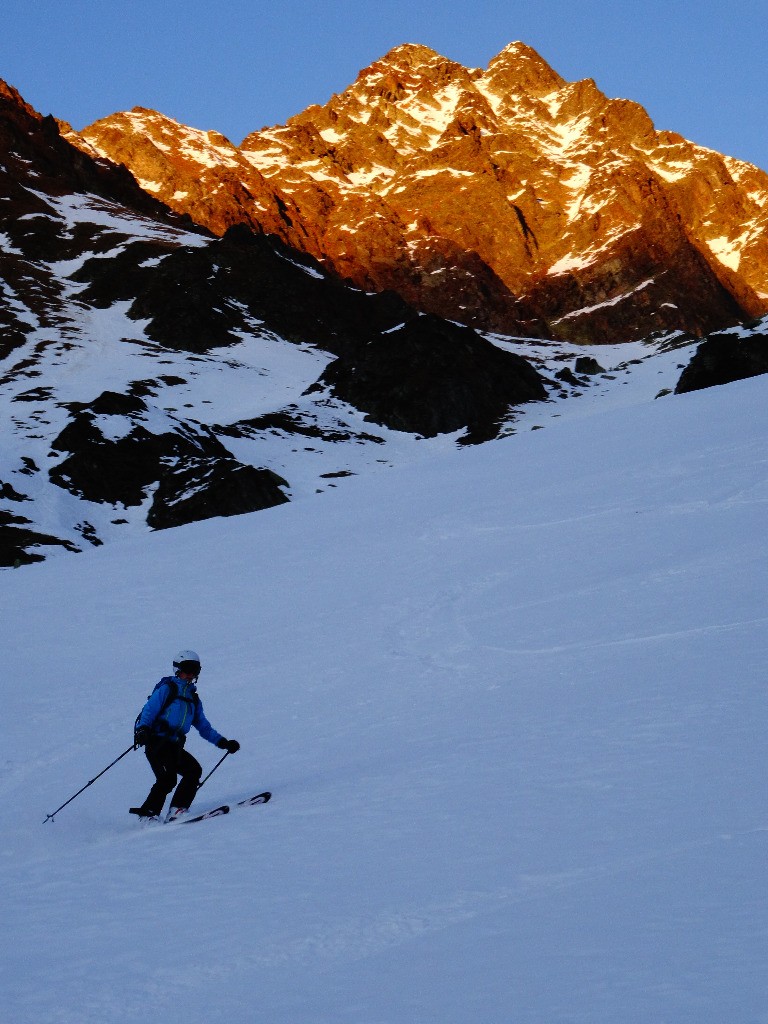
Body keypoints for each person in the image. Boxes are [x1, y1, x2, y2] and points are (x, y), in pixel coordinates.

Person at [130, 649, 240, 822]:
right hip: (157, 742)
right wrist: (143, 729)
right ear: (178, 670)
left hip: (174, 745)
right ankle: (148, 815)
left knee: (193, 770)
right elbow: (149, 710)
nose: (191, 674)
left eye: (195, 670)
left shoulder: (193, 699)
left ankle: (177, 810)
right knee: (167, 779)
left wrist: (223, 743)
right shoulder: (168, 689)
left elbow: (203, 726)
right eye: (187, 669)